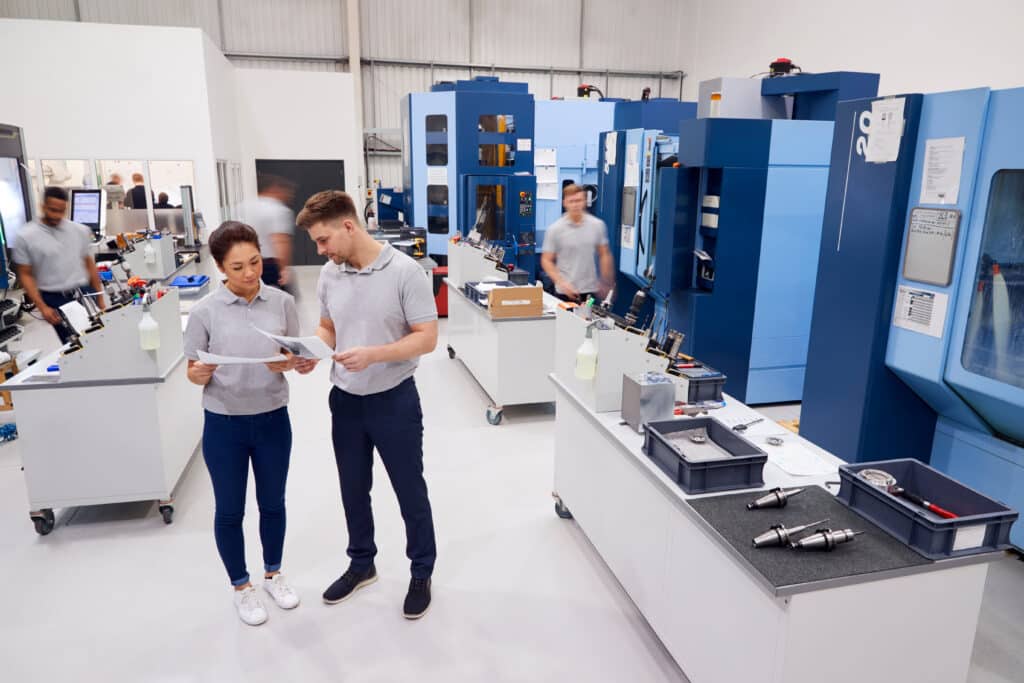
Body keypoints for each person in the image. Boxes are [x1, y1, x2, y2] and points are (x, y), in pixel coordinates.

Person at [296, 190, 438, 620]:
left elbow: (426, 337)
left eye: (323, 241)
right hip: (346, 402)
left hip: (394, 399)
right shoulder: (329, 274)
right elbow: (327, 327)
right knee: (353, 490)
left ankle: (421, 572)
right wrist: (311, 353)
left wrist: (373, 354)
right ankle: (362, 563)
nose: (321, 251)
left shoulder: (405, 272)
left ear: (348, 226)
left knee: (409, 490)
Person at [182, 221, 317, 627]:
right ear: (221, 267)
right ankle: (242, 587)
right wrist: (199, 375)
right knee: (230, 509)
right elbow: (192, 369)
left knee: (273, 503)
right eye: (237, 267)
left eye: (255, 262)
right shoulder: (205, 311)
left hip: (273, 418)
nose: (249, 273)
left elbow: (296, 357)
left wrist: (296, 362)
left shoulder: (281, 303)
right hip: (224, 424)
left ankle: (274, 573)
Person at [12, 186, 105, 344]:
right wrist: (42, 306)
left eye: (61, 211)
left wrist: (100, 297)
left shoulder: (79, 230)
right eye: (52, 210)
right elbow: (25, 274)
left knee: (101, 337)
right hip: (53, 298)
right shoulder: (26, 236)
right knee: (76, 344)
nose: (57, 215)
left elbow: (89, 265)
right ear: (43, 207)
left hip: (84, 291)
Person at [540, 183, 614, 302]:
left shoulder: (597, 225)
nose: (575, 205)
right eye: (571, 201)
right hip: (564, 292)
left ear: (584, 201)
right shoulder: (555, 229)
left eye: (578, 200)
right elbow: (546, 260)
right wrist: (561, 283)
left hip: (590, 291)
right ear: (565, 203)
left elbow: (604, 253)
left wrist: (606, 280)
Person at [240, 174, 297, 294]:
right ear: (274, 188)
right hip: (270, 265)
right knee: (282, 301)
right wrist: (283, 269)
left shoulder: (244, 207)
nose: (287, 195)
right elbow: (280, 241)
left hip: (247, 262)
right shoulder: (277, 209)